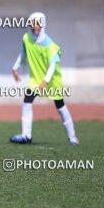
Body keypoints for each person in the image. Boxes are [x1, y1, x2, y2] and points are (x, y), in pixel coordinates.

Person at [10, 12, 79, 145]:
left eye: (37, 23)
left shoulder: (50, 45)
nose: (35, 26)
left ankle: (72, 137)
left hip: (52, 81)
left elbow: (53, 65)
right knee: (27, 102)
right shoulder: (26, 38)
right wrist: (15, 68)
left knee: (60, 107)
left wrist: (45, 81)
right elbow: (23, 53)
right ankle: (26, 136)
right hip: (35, 79)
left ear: (43, 24)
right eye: (32, 23)